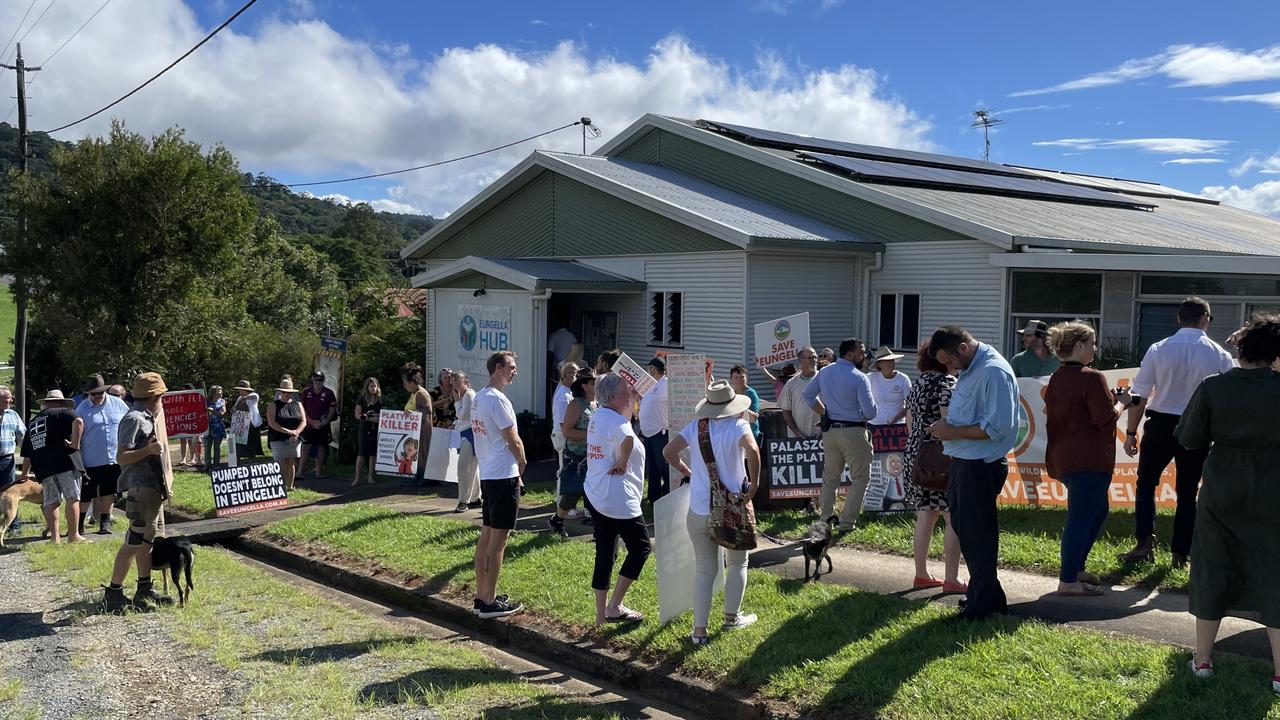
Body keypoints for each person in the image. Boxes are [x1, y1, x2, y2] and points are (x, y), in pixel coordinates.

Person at [1174, 315, 1280, 693]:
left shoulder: (1213, 387)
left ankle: (1202, 660)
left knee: (1213, 566)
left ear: (1240, 348)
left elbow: (1188, 438)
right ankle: (1279, 672)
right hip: (1273, 487)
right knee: (1275, 570)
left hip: (1222, 485)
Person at [1123, 297, 1234, 568]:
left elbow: (1140, 394)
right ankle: (1180, 553)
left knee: (1147, 483)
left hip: (1160, 423)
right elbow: (1229, 395)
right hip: (1197, 426)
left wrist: (1130, 432)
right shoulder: (1218, 353)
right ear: (1205, 318)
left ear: (1178, 319)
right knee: (1187, 491)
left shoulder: (1159, 349)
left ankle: (1145, 543)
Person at [927, 326, 1022, 619]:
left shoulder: (993, 372)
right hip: (965, 462)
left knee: (977, 536)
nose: (949, 368)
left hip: (979, 466)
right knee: (969, 532)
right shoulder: (973, 368)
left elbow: (998, 428)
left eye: (950, 361)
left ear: (964, 349)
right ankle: (990, 598)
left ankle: (980, 607)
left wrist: (951, 430)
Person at [663, 380, 761, 645]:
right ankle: (732, 617)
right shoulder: (739, 425)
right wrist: (754, 483)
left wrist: (686, 471)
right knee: (738, 563)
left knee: (705, 570)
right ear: (733, 405)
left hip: (699, 509)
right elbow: (752, 450)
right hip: (731, 507)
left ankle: (699, 632)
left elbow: (669, 451)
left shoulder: (696, 427)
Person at [1044, 321, 1132, 597]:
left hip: (1065, 456)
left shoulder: (1057, 376)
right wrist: (1123, 402)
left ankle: (1076, 568)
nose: (1095, 347)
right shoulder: (1092, 377)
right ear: (1079, 345)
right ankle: (1068, 579)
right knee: (1081, 517)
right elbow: (1104, 419)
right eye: (1092, 343)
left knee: (1096, 511)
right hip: (1088, 459)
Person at [101, 372, 176, 611]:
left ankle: (144, 588)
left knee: (147, 541)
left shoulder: (149, 416)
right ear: (154, 396)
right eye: (161, 395)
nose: (163, 399)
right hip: (140, 487)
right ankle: (113, 593)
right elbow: (121, 456)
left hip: (152, 488)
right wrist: (149, 450)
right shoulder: (134, 419)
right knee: (134, 541)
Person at [584, 373, 651, 625]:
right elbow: (627, 438)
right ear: (613, 396)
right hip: (618, 499)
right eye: (626, 391)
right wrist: (623, 463)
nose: (630, 393)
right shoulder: (617, 423)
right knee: (641, 548)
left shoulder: (599, 416)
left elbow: (621, 426)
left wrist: (632, 400)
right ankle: (615, 606)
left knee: (605, 552)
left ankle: (601, 615)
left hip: (597, 492)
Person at [902, 341, 965, 594]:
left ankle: (922, 574)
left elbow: (909, 421)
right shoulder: (946, 384)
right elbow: (947, 421)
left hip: (915, 454)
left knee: (926, 514)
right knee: (952, 516)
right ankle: (952, 578)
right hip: (940, 458)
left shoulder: (917, 383)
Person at [471, 350, 526, 619]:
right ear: (497, 368)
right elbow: (513, 438)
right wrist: (523, 463)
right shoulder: (498, 400)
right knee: (499, 540)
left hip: (488, 473)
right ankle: (490, 602)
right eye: (511, 367)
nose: (515, 371)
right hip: (503, 474)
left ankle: (482, 596)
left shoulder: (479, 398)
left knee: (487, 534)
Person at [802, 338, 877, 532]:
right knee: (860, 477)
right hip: (854, 431)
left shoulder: (825, 371)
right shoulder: (859, 377)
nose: (864, 355)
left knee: (830, 477)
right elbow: (870, 413)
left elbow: (808, 395)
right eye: (861, 351)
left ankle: (826, 519)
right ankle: (846, 523)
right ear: (850, 354)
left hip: (831, 431)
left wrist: (824, 412)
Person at [20, 390, 88, 545]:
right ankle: (73, 536)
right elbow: (78, 422)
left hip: (43, 468)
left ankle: (54, 538)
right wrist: (75, 444)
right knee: (72, 497)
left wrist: (24, 473)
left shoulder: (33, 422)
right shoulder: (63, 411)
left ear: (45, 403)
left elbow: (27, 454)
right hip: (66, 462)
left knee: (50, 502)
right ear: (61, 402)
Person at [74, 374, 129, 536]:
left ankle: (105, 522)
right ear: (88, 394)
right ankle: (80, 524)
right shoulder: (82, 409)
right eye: (93, 394)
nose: (97, 396)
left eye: (100, 393)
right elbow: (76, 434)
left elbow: (128, 423)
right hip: (89, 460)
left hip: (113, 459)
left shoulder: (118, 404)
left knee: (108, 491)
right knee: (86, 495)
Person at [551, 369, 596, 536]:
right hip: (576, 457)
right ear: (584, 386)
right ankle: (558, 519)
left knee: (593, 491)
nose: (596, 385)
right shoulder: (576, 404)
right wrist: (592, 435)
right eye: (592, 383)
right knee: (573, 493)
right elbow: (568, 432)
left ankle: (599, 529)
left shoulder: (596, 404)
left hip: (593, 456)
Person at [638, 356, 670, 504]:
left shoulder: (666, 383)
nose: (647, 371)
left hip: (660, 432)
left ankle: (669, 493)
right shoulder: (650, 384)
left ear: (653, 369)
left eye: (649, 368)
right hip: (648, 433)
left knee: (663, 466)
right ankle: (653, 496)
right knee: (652, 468)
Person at [266, 378, 307, 491]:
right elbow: (272, 423)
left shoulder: (298, 404)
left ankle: (290, 486)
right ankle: (279, 487)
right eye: (284, 392)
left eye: (289, 392)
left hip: (294, 438)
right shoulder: (273, 405)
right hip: (278, 438)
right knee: (280, 463)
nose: (287, 394)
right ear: (280, 392)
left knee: (291, 462)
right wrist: (288, 432)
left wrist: (296, 432)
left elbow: (304, 421)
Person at [299, 372, 338, 481]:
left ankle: (318, 472)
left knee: (321, 447)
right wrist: (311, 421)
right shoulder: (306, 392)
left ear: (323, 380)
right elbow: (302, 409)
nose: (317, 382)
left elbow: (332, 409)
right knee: (305, 447)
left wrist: (325, 421)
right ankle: (300, 472)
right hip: (309, 425)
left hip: (322, 424)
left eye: (320, 380)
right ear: (312, 379)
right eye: (316, 380)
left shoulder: (329, 393)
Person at [402, 363, 435, 486]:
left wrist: (412, 413)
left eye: (405, 382)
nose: (404, 385)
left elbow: (428, 411)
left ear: (412, 382)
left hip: (423, 431)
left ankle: (422, 479)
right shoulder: (415, 393)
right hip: (416, 431)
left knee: (422, 455)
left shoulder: (421, 393)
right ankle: (417, 477)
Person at [452, 371, 481, 512]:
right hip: (467, 433)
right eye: (454, 380)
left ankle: (463, 501)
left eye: (459, 380)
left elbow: (463, 414)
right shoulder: (465, 395)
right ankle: (475, 497)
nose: (456, 383)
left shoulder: (468, 394)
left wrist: (457, 401)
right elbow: (462, 418)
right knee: (472, 467)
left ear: (465, 381)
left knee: (463, 467)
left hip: (470, 434)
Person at [0, 386, 26, 537]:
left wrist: (28, 454)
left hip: (6, 459)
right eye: (7, 398)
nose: (11, 400)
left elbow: (21, 436)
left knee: (11, 492)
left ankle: (14, 526)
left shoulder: (13, 415)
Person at [779, 347, 821, 439]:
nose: (814, 360)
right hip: (798, 440)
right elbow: (786, 411)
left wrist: (824, 427)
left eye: (815, 357)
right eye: (810, 358)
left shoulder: (825, 379)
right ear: (801, 360)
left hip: (822, 436)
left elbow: (833, 406)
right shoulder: (791, 383)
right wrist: (796, 432)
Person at [550, 361, 580, 480]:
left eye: (575, 372)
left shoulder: (569, 392)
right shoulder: (563, 396)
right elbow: (562, 421)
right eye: (570, 372)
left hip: (565, 436)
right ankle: (561, 497)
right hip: (563, 437)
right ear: (564, 375)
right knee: (563, 470)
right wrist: (570, 438)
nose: (574, 375)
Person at [868, 347, 912, 425]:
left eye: (892, 360)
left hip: (898, 426)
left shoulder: (903, 379)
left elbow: (911, 404)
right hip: (875, 425)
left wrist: (897, 417)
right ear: (879, 364)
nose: (891, 363)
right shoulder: (870, 378)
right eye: (887, 361)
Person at [352, 377, 384, 487]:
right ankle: (357, 477)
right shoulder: (362, 398)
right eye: (371, 386)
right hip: (364, 428)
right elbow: (357, 414)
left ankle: (371, 476)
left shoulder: (380, 399)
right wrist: (369, 418)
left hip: (376, 428)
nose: (373, 388)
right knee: (362, 453)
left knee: (373, 453)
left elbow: (384, 414)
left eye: (375, 386)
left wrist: (377, 417)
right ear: (367, 387)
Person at [728, 364, 761, 443]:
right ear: (731, 380)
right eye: (736, 377)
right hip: (735, 434)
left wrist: (740, 404)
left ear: (746, 378)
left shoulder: (751, 393)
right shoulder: (730, 394)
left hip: (751, 435)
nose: (739, 380)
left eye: (742, 377)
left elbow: (754, 418)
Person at [231, 380, 264, 460]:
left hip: (252, 423)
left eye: (240, 389)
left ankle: (252, 458)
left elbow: (255, 397)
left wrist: (244, 398)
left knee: (252, 441)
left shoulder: (253, 396)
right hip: (243, 424)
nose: (239, 391)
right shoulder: (239, 398)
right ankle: (240, 457)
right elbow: (236, 408)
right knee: (242, 442)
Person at [203, 385, 227, 470]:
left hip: (218, 427)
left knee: (217, 448)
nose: (221, 393)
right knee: (207, 448)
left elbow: (223, 412)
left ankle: (216, 465)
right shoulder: (205, 402)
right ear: (213, 393)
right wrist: (206, 409)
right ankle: (207, 465)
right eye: (219, 392)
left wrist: (213, 411)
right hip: (207, 427)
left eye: (221, 391)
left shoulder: (222, 401)